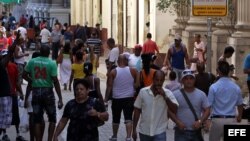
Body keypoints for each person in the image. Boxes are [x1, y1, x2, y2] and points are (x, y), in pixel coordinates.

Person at [23, 45, 63, 141]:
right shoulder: (52, 63)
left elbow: (24, 75)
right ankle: (49, 139)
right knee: (52, 118)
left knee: (37, 119)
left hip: (36, 91)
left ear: (40, 52)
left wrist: (31, 81)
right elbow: (55, 81)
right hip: (48, 91)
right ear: (49, 52)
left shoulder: (32, 61)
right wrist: (60, 98)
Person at [132, 70, 179, 141]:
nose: (159, 83)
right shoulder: (143, 92)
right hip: (144, 131)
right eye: (157, 80)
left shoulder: (168, 93)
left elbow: (175, 109)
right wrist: (134, 129)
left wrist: (165, 97)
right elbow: (137, 111)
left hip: (160, 132)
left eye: (161, 80)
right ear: (153, 79)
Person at [169, 69, 210, 141]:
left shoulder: (201, 94)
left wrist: (200, 121)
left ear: (194, 80)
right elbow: (169, 110)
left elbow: (207, 109)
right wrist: (177, 122)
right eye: (186, 78)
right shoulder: (175, 94)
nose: (189, 81)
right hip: (181, 132)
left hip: (196, 132)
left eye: (191, 78)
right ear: (182, 81)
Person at [208, 61, 244, 141]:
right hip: (231, 120)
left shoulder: (213, 87)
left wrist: (207, 119)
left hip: (217, 120)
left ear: (218, 71)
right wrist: (239, 116)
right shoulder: (236, 87)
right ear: (228, 71)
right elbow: (240, 104)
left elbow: (208, 105)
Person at [104, 54, 138, 141]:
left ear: (118, 62)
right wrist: (132, 89)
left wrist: (106, 99)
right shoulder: (133, 71)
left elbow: (109, 87)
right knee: (128, 118)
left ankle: (114, 136)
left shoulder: (113, 72)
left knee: (116, 118)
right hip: (129, 98)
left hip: (116, 98)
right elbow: (137, 84)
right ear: (126, 61)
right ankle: (128, 137)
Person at [24, 51, 40, 141]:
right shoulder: (43, 67)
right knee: (39, 118)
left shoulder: (30, 66)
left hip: (31, 93)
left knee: (31, 118)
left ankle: (31, 138)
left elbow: (29, 86)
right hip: (42, 94)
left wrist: (26, 99)